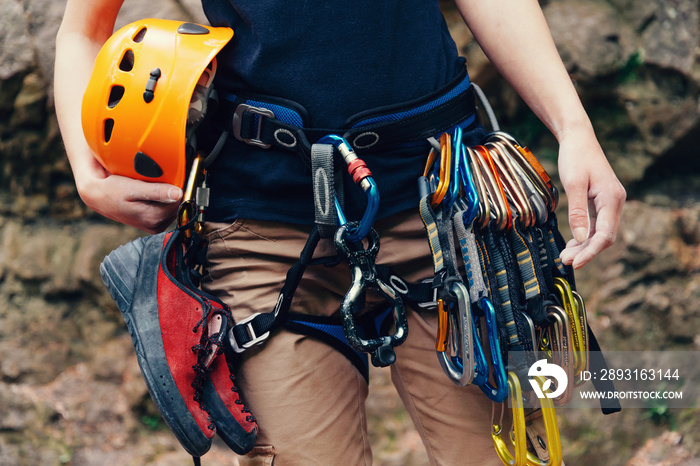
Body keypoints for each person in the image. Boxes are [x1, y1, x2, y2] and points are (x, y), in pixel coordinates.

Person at [55, 0, 626, 464]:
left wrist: (573, 127)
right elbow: (82, 29)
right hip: (261, 229)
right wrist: (88, 172)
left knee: (498, 453)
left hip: (443, 208)